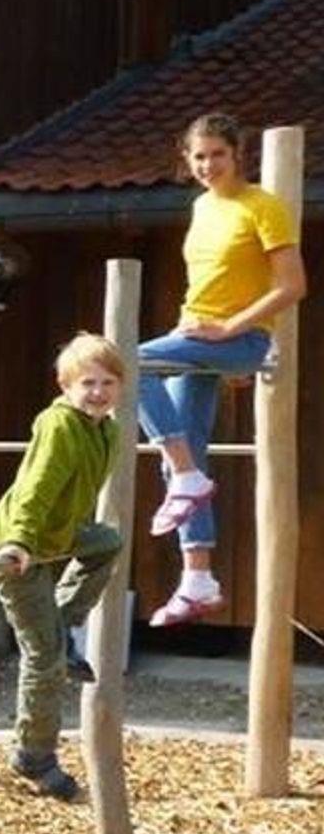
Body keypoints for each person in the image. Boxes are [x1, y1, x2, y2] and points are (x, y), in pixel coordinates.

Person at [137, 112, 306, 627]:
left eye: (218, 154)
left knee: (126, 361)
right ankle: (199, 579)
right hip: (196, 335)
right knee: (184, 449)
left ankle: (188, 477)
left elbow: (292, 286)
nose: (208, 164)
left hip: (242, 338)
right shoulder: (201, 207)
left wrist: (229, 330)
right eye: (199, 156)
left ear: (237, 155)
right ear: (188, 160)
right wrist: (195, 332)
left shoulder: (263, 206)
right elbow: (207, 283)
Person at [0, 332, 127, 801]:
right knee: (44, 656)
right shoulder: (59, 425)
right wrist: (19, 542)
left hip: (55, 537)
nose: (98, 392)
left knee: (107, 541)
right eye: (87, 383)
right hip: (16, 545)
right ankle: (34, 755)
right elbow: (35, 488)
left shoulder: (107, 430)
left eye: (107, 383)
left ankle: (64, 622)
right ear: (66, 387)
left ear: (120, 387)